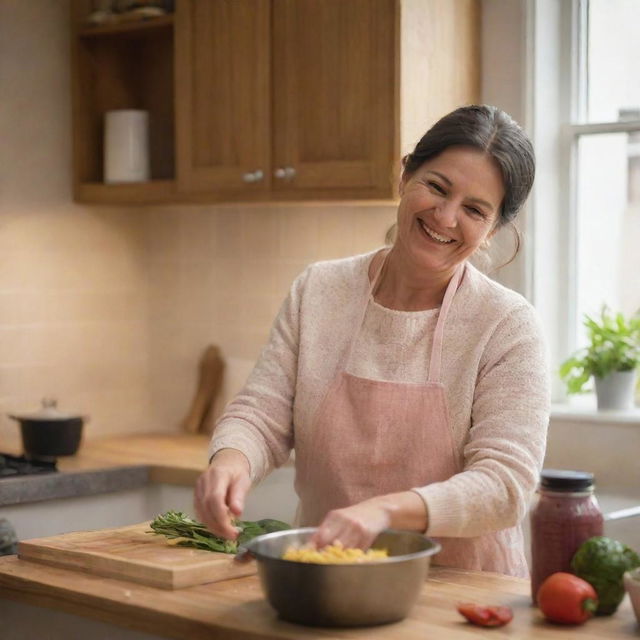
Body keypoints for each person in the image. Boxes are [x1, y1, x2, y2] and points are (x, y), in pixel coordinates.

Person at [194, 104, 550, 577]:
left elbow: (505, 486)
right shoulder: (318, 291)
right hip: (326, 580)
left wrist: (385, 512)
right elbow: (262, 414)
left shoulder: (507, 325)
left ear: (494, 230)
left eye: (474, 210)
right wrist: (231, 461)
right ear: (405, 176)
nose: (445, 217)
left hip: (463, 597)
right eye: (437, 188)